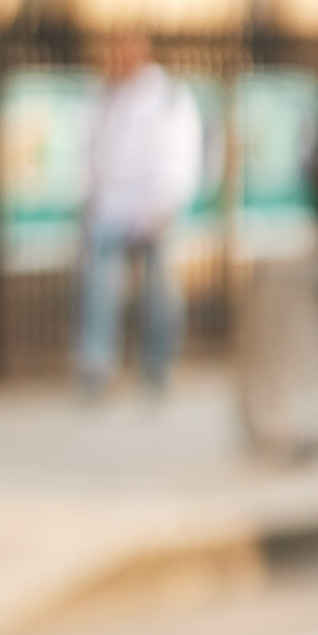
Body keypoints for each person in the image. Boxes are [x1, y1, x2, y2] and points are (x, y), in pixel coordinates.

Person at [76, 31, 203, 396]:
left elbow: (180, 153)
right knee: (100, 289)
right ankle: (96, 365)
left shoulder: (168, 97)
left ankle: (157, 364)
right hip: (111, 207)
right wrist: (91, 195)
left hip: (154, 206)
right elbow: (93, 150)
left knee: (159, 291)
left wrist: (165, 202)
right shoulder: (106, 97)